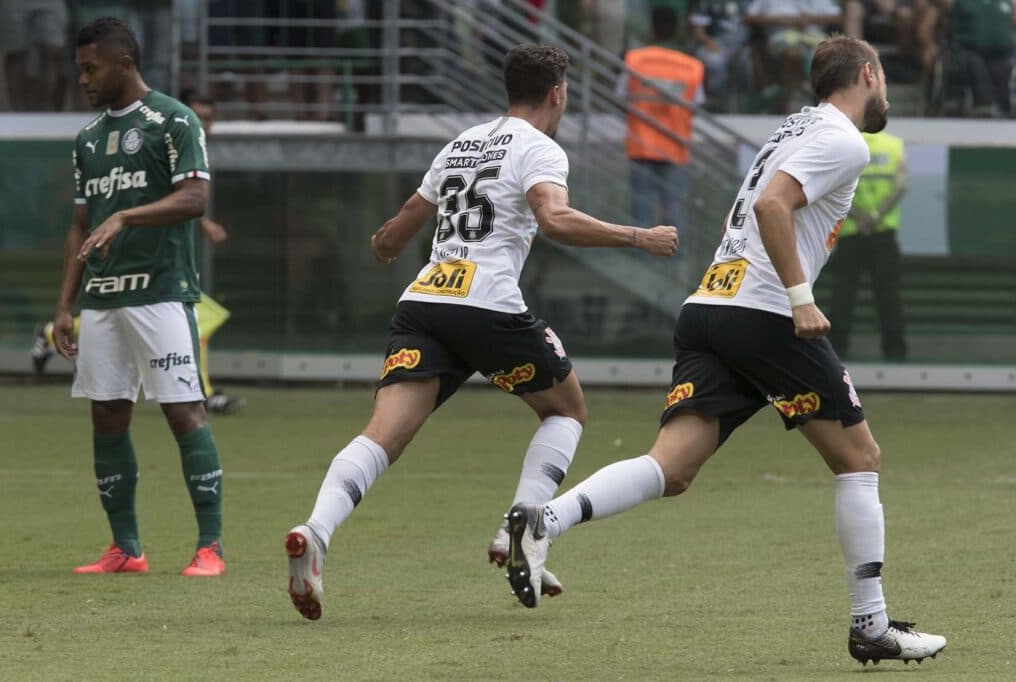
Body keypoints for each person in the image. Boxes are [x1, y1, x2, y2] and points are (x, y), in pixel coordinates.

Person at [504, 35, 947, 666]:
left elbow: (749, 209)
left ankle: (547, 520)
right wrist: (799, 297)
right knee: (860, 456)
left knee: (672, 468)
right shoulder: (844, 138)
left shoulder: (789, 129)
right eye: (883, 82)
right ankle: (870, 625)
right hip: (764, 314)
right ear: (869, 74)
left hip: (710, 306)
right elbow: (772, 206)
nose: (886, 95)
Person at [283, 44, 679, 621]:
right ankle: (519, 524)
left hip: (425, 301)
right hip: (486, 304)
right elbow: (555, 218)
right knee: (566, 411)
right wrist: (640, 238)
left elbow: (397, 231)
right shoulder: (540, 148)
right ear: (558, 93)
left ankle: (316, 532)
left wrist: (385, 243)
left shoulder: (461, 143)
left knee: (382, 435)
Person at [53, 17, 225, 576]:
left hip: (160, 291)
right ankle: (126, 548)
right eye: (80, 68)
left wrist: (127, 214)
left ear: (124, 64)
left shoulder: (173, 121)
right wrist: (64, 306)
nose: (83, 78)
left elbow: (196, 197)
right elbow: (81, 225)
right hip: (101, 298)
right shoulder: (86, 139)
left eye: (90, 67)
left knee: (183, 411)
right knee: (107, 415)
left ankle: (210, 547)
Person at [31, 90, 242, 415]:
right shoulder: (162, 133)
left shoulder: (187, 139)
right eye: (200, 115)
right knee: (196, 321)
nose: (206, 123)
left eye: (211, 118)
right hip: (142, 259)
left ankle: (202, 392)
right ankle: (202, 394)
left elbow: (177, 197)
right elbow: (154, 197)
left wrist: (204, 224)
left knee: (202, 322)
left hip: (165, 263)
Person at [623, 7, 705, 231]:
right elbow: (696, 104)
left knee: (642, 208)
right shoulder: (692, 66)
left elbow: (620, 96)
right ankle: (673, 260)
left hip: (641, 144)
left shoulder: (634, 60)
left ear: (652, 29)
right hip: (675, 146)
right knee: (673, 209)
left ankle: (643, 259)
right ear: (677, 31)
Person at [829, 131, 908, 361]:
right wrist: (875, 216)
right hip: (883, 233)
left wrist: (860, 217)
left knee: (843, 295)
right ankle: (895, 351)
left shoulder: (844, 145)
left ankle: (837, 349)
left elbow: (836, 188)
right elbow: (900, 187)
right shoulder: (894, 145)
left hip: (851, 232)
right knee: (889, 295)